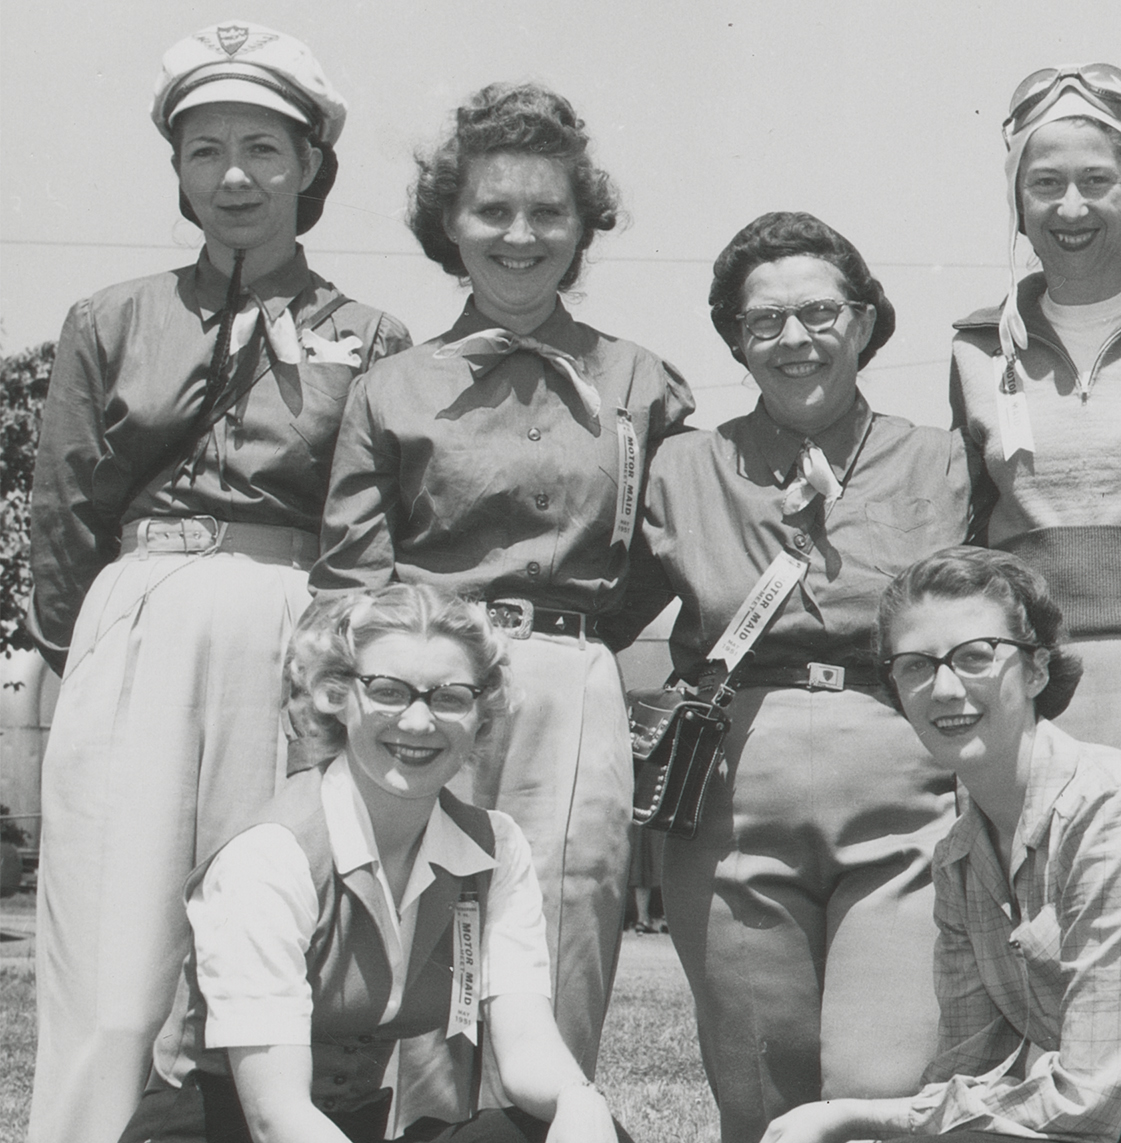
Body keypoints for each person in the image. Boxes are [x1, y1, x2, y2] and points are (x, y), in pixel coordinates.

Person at [26, 23, 411, 1142]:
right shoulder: (111, 317)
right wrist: (82, 653)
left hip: (292, 633)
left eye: (261, 148)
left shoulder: (371, 336)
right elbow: (66, 510)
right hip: (136, 621)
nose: (233, 177)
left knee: (265, 943)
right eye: (204, 151)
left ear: (310, 167)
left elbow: (367, 519)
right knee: (111, 957)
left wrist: (336, 680)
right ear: (179, 172)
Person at [314, 81, 694, 1076]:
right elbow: (350, 574)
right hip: (425, 679)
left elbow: (666, 548)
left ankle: (541, 1117)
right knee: (420, 915)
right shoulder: (392, 386)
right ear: (449, 223)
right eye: (492, 210)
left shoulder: (641, 382)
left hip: (572, 680)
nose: (519, 236)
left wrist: (580, 643)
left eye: (547, 212)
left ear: (583, 226)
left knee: (566, 917)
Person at [606, 212, 989, 1143]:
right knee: (759, 1094)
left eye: (820, 312)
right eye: (763, 320)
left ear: (865, 321)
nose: (794, 339)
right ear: (734, 338)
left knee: (880, 1091)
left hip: (905, 799)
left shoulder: (941, 460)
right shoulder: (683, 467)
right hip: (732, 805)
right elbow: (600, 607)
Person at [760, 546, 1121, 1143]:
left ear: (1036, 671)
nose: (945, 688)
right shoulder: (961, 856)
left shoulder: (1115, 816)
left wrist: (852, 1115)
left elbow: (1086, 1102)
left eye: (975, 657)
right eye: (916, 667)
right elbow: (969, 1068)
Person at [116, 584, 631, 1143]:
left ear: (483, 714)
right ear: (337, 696)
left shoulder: (494, 848)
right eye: (388, 692)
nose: (417, 722)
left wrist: (579, 1101)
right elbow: (274, 1116)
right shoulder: (270, 858)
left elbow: (527, 1043)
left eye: (450, 698)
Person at [948, 63, 1121, 801]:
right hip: (1028, 676)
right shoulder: (976, 349)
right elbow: (968, 522)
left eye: (1096, 181)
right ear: (1017, 197)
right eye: (1045, 183)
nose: (1070, 207)